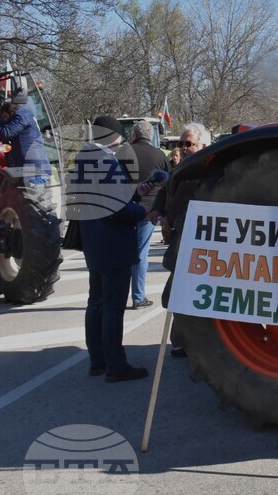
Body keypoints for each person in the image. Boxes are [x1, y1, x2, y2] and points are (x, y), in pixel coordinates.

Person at [80, 115, 153, 382]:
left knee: (96, 303)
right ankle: (115, 364)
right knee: (112, 307)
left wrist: (136, 192)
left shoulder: (84, 159)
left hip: (95, 241)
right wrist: (140, 210)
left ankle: (97, 360)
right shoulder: (105, 161)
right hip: (113, 242)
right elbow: (116, 208)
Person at [147, 123, 211, 358]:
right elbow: (165, 191)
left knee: (181, 293)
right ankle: (180, 341)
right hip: (175, 235)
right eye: (181, 144)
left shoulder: (210, 168)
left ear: (203, 145)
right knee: (178, 293)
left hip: (194, 240)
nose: (183, 148)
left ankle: (184, 341)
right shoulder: (179, 167)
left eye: (189, 144)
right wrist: (157, 210)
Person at [127, 121, 170, 309]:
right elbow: (168, 184)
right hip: (149, 209)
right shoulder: (160, 155)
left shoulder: (123, 153)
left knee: (124, 252)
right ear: (150, 135)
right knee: (141, 253)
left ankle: (121, 294)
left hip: (125, 208)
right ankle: (138, 296)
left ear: (134, 135)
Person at [0, 95, 51, 177]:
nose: (5, 120)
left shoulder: (21, 117)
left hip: (32, 165)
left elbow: (7, 133)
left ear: (11, 113)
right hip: (33, 162)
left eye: (5, 117)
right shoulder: (24, 114)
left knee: (32, 187)